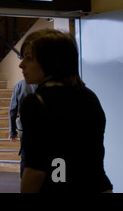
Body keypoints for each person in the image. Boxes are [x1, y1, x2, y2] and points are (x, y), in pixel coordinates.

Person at [18, 28, 113, 193]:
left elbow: (36, 170)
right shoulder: (90, 97)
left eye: (29, 58)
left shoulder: (35, 103)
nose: (21, 65)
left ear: (51, 62)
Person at [8, 78, 37, 176]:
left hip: (24, 127)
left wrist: (12, 132)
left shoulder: (19, 85)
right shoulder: (45, 84)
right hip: (43, 127)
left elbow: (12, 110)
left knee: (25, 157)